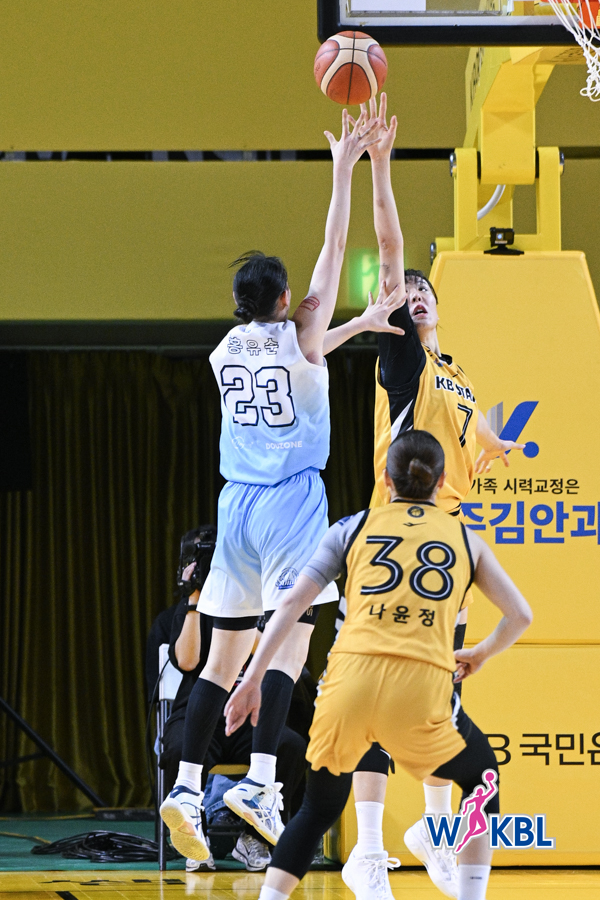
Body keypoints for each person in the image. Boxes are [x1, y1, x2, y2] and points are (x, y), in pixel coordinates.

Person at [159, 108, 393, 863]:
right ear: (289, 299)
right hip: (293, 501)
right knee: (290, 644)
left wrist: (356, 325)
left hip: (236, 507)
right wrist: (344, 168)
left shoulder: (226, 347)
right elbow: (334, 250)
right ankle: (260, 782)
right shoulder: (302, 334)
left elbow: (312, 344)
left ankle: (185, 787)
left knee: (220, 662)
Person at [321, 93, 525, 898]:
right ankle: (370, 850)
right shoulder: (402, 360)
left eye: (424, 292)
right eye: (406, 293)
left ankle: (431, 832)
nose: (417, 295)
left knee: (440, 695)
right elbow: (390, 244)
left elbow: (472, 434)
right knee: (382, 686)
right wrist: (379, 166)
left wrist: (495, 445)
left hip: (448, 536)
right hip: (391, 535)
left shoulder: (456, 372)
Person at [225, 430, 532, 900]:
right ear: (442, 481)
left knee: (317, 809)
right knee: (482, 778)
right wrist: (480, 653)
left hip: (347, 684)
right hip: (419, 689)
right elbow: (520, 615)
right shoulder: (465, 539)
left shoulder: (351, 527)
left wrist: (251, 680)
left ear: (386, 480)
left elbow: (288, 606)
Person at [160, 540, 308, 872]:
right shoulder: (198, 606)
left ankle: (254, 838)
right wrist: (194, 599)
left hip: (251, 716)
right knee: (178, 748)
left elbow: (276, 655)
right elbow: (187, 660)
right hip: (202, 716)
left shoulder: (268, 603)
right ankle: (194, 833)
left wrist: (243, 616)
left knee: (291, 746)